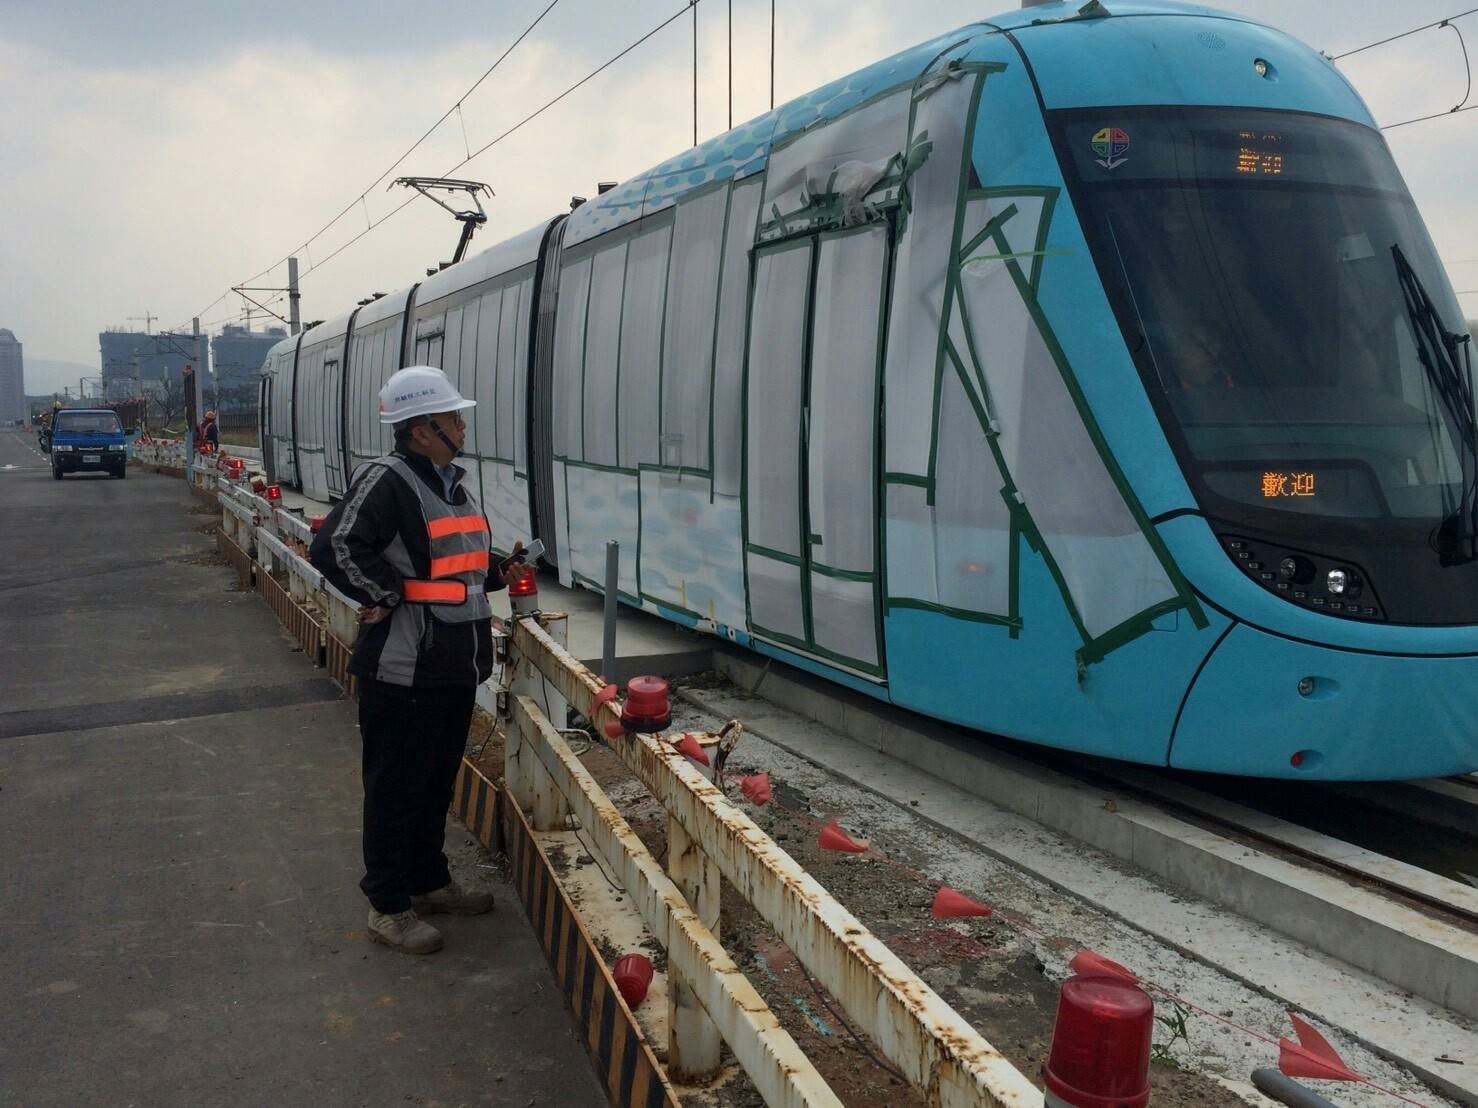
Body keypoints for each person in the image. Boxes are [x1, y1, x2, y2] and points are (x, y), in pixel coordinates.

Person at [309, 366, 523, 956]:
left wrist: (497, 571)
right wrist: (385, 594)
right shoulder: (388, 480)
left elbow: (452, 561)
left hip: (451, 665)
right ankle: (388, 906)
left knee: (433, 783)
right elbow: (333, 546)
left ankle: (428, 883)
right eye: (454, 417)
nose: (462, 424)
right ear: (422, 429)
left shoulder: (449, 482)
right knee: (395, 788)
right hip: (403, 667)